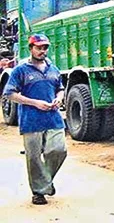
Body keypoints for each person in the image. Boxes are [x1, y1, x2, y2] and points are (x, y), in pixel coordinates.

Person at [1, 34, 67, 205]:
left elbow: (60, 88)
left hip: (53, 118)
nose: (42, 51)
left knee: (59, 150)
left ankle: (44, 183)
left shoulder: (53, 69)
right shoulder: (21, 70)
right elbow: (9, 94)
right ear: (30, 48)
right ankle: (39, 192)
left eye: (45, 48)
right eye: (38, 47)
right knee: (34, 157)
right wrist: (34, 103)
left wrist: (59, 98)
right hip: (31, 120)